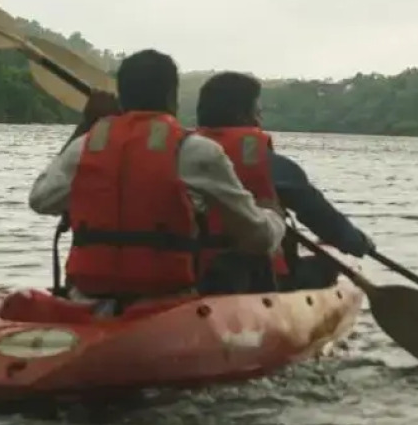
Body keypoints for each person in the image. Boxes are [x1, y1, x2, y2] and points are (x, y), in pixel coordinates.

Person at [27, 49, 285, 313]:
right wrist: (275, 218)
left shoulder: (85, 146)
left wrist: (86, 124)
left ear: (122, 96)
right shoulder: (195, 150)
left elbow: (40, 200)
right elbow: (258, 238)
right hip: (167, 307)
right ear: (170, 96)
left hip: (87, 301)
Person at [194, 71, 375, 291]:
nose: (260, 119)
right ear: (245, 116)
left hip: (192, 274)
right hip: (256, 281)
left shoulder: (182, 154)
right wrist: (358, 242)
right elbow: (321, 217)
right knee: (329, 260)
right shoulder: (272, 165)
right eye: (257, 111)